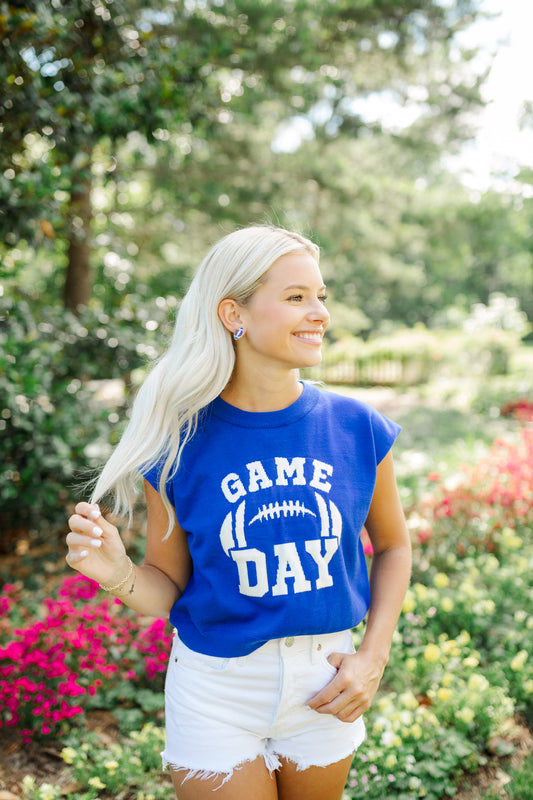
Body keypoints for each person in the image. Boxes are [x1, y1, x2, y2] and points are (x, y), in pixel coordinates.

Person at [66, 225, 412, 800]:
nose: (319, 312)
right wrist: (119, 574)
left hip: (326, 682)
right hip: (216, 690)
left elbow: (395, 547)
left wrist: (371, 659)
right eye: (297, 297)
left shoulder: (358, 428)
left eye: (321, 296)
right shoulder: (178, 445)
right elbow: (168, 587)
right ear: (234, 313)